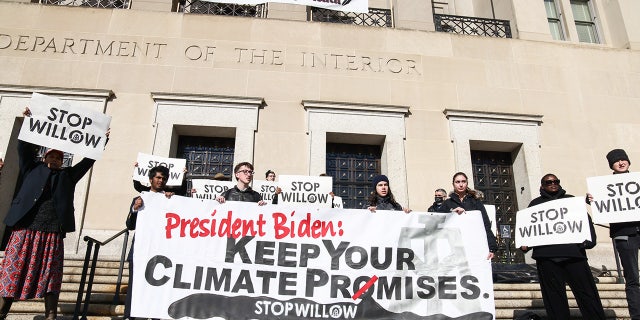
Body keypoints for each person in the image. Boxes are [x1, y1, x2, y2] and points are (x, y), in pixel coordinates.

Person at [0, 107, 109, 320]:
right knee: (12, 272)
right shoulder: (31, 168)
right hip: (25, 229)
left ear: (63, 160)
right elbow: (23, 148)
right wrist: (28, 121)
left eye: (59, 156)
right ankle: (2, 311)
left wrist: (101, 141)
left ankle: (50, 315)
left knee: (50, 275)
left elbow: (88, 161)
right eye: (52, 154)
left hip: (51, 233)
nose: (56, 158)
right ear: (45, 155)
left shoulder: (68, 176)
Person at [521, 174, 605, 320]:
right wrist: (524, 245)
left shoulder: (571, 200)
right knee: (554, 299)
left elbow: (586, 222)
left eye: (556, 181)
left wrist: (589, 242)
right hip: (547, 258)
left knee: (587, 295)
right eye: (548, 182)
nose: (553, 184)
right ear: (542, 185)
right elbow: (528, 228)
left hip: (574, 256)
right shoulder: (535, 204)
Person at [124, 165, 173, 320]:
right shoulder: (139, 198)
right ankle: (129, 316)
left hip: (160, 252)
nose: (161, 181)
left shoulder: (170, 199)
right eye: (158, 177)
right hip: (140, 250)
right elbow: (129, 225)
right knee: (134, 286)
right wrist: (135, 209)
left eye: (164, 179)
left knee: (158, 288)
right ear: (151, 179)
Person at [599, 149, 640, 319]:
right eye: (617, 161)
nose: (621, 162)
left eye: (624, 159)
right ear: (612, 165)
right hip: (625, 235)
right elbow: (601, 204)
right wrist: (592, 199)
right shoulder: (603, 187)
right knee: (632, 279)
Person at [437, 172, 497, 260]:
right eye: (457, 182)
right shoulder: (447, 203)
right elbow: (438, 221)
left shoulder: (476, 202)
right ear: (453, 184)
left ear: (467, 183)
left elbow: (485, 224)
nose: (461, 185)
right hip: (454, 246)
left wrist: (492, 248)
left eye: (463, 181)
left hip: (473, 245)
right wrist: (451, 213)